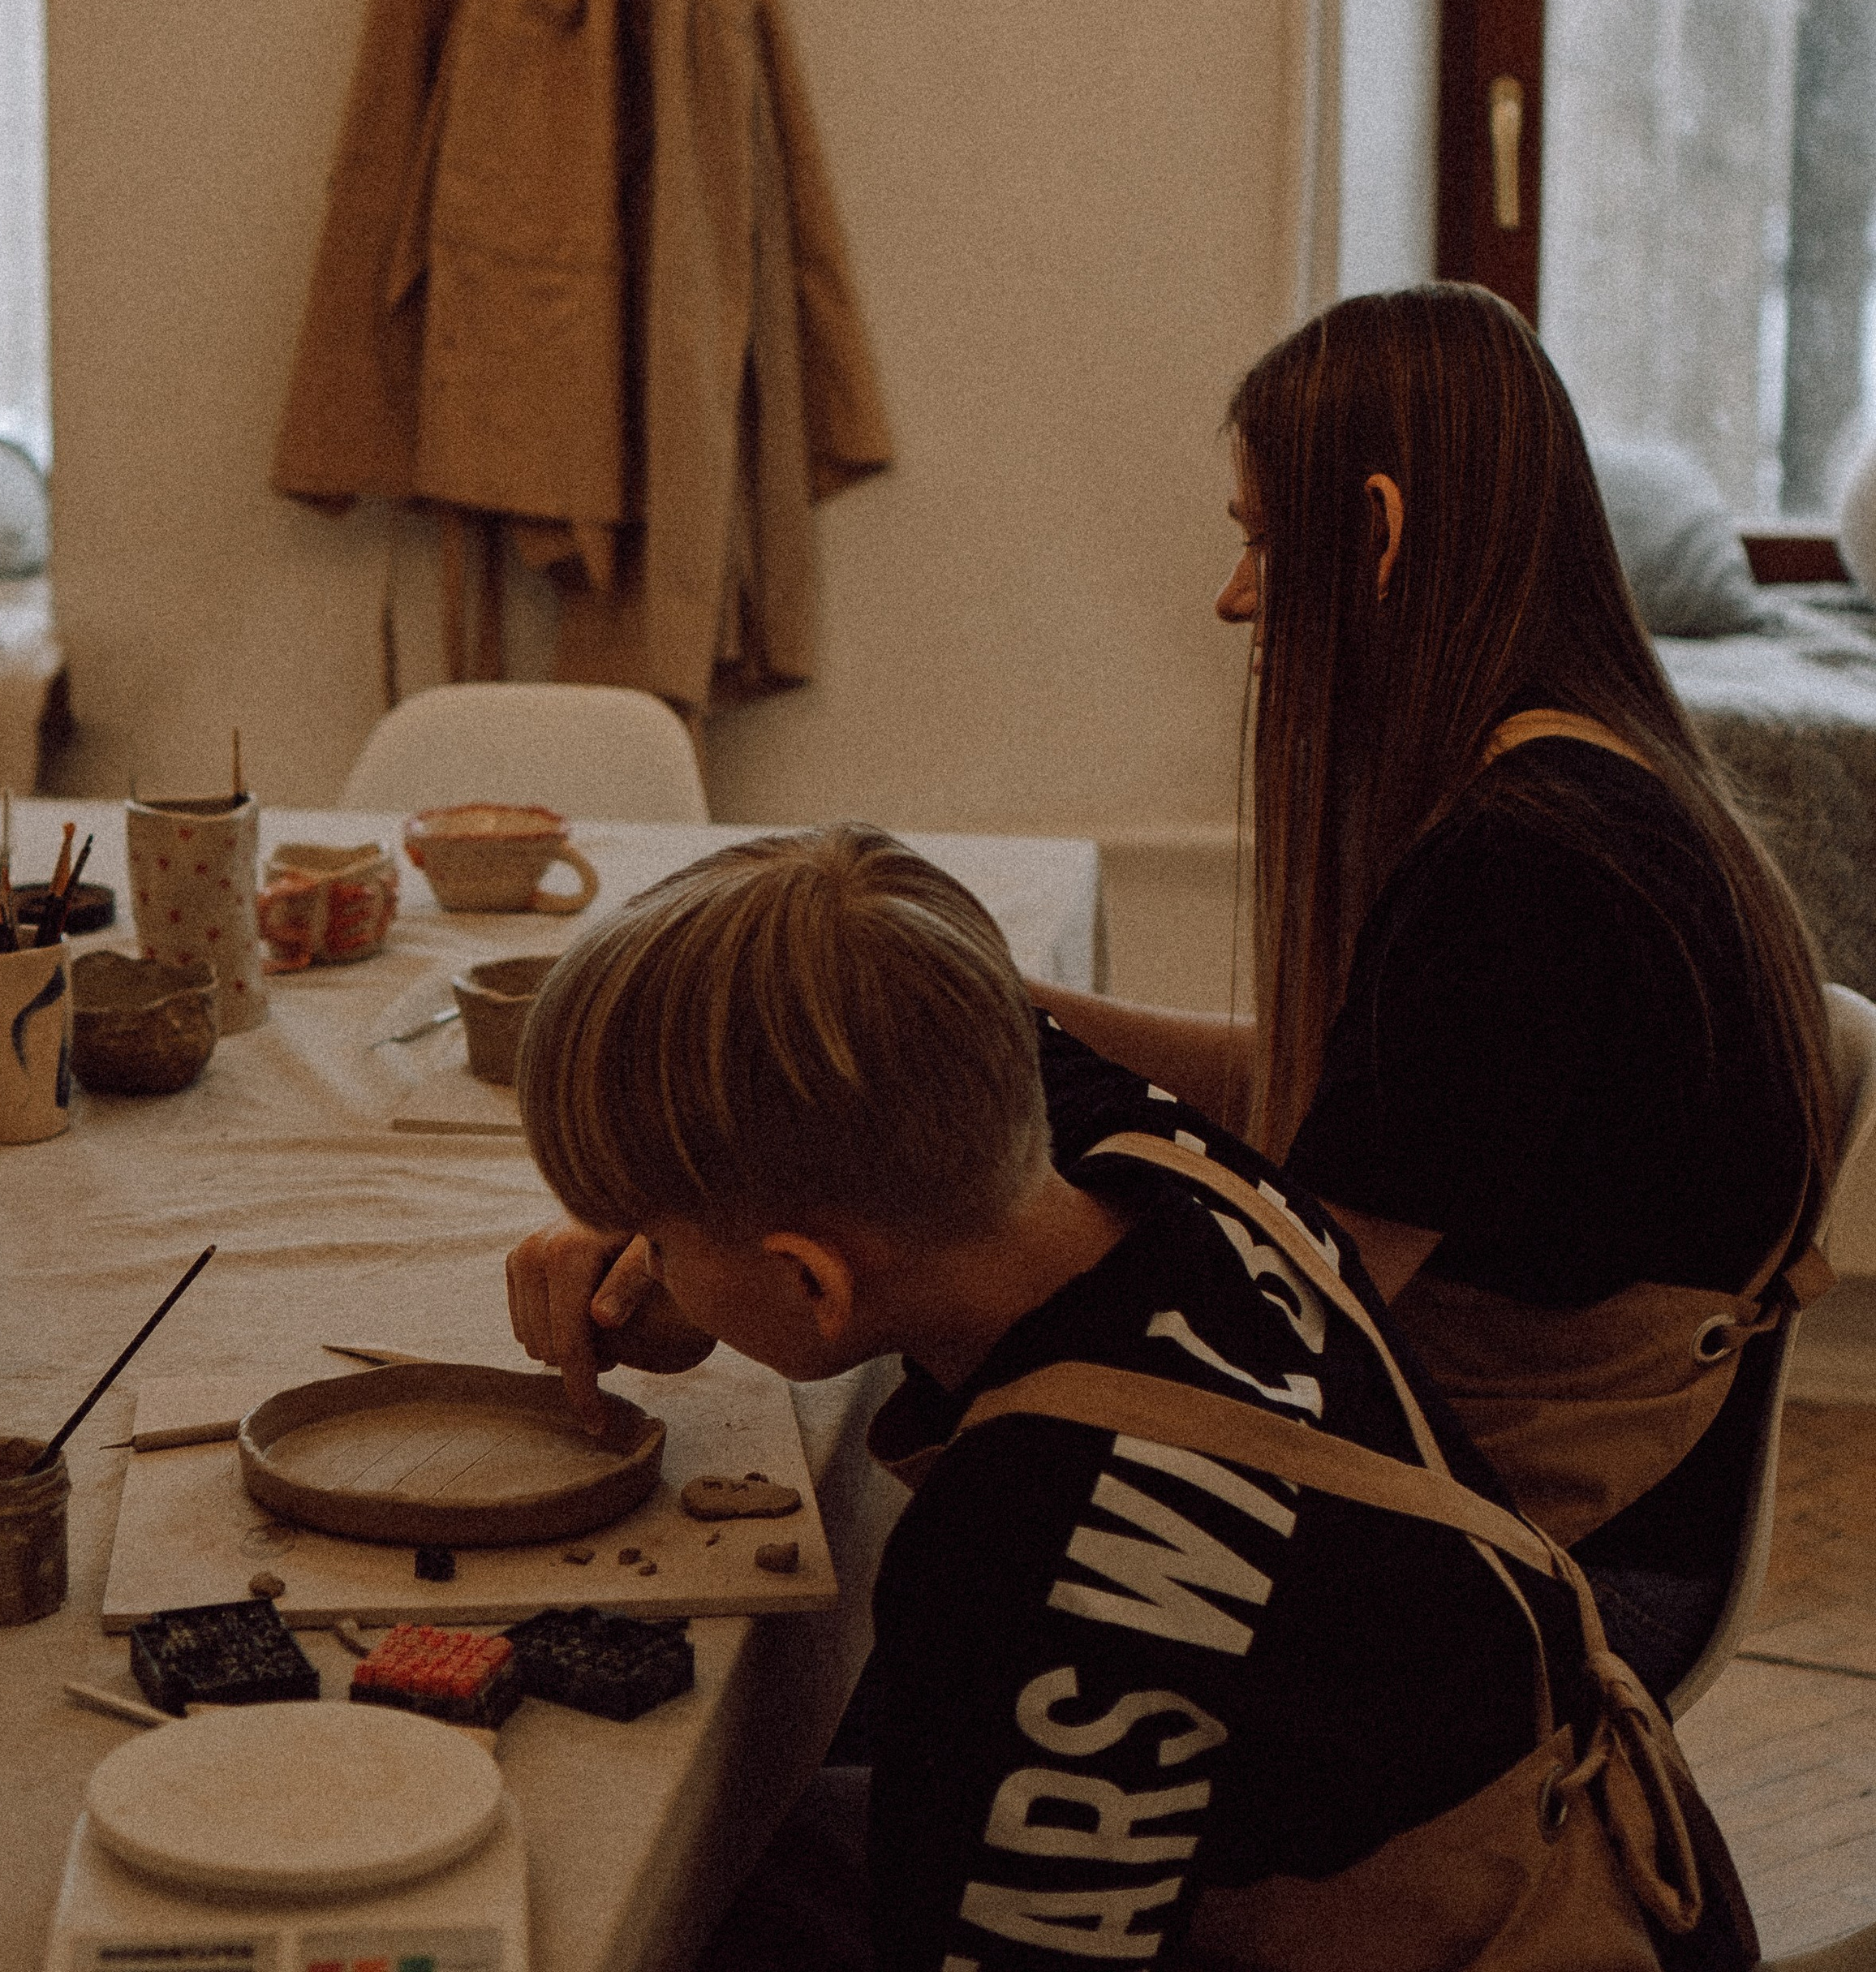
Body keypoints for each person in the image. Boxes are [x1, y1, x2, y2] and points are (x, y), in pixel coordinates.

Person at [506, 822, 1753, 1972]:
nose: (644, 1264)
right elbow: (933, 996)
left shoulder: (1026, 1561)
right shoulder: (1154, 1155)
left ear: (811, 1282)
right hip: (1558, 1821)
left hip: (1464, 1932)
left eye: (659, 1245)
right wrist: (664, 1209)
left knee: (633, 1892)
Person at [1032, 282, 1839, 1699]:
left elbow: (1283, 1313)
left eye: (1263, 546)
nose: (1233, 601)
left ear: (1385, 535)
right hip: (1612, 1498)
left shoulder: (1523, 869)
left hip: (1561, 1557)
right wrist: (1024, 1014)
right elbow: (1365, 1092)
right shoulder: (1590, 774)